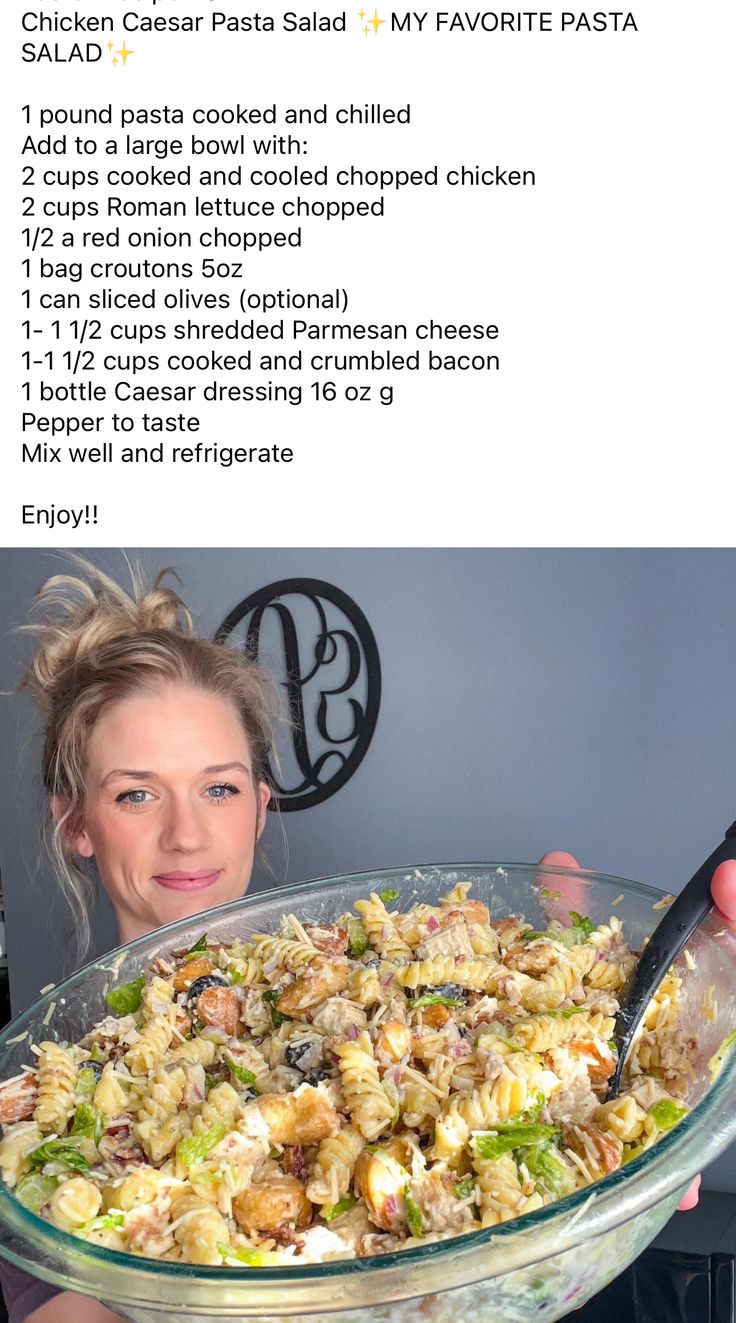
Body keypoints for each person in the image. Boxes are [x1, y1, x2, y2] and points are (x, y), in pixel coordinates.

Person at [1, 562, 734, 1322]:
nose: (185, 834)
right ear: (76, 823)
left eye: (217, 787)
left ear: (259, 806)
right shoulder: (34, 1121)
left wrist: (595, 1062)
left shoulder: (365, 961)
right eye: (136, 793)